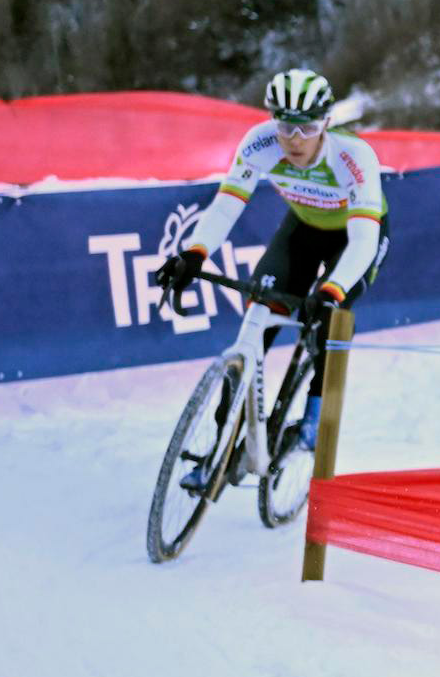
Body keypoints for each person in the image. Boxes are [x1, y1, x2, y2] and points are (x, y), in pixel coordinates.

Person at [156, 69, 389, 481]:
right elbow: (227, 205)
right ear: (272, 121)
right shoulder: (260, 143)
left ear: (326, 125)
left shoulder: (354, 158)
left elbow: (363, 240)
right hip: (302, 230)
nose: (295, 140)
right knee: (256, 320)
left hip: (355, 240)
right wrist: (194, 253)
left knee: (328, 325)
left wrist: (332, 291)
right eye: (285, 127)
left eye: (308, 129)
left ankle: (316, 421)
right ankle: (223, 444)